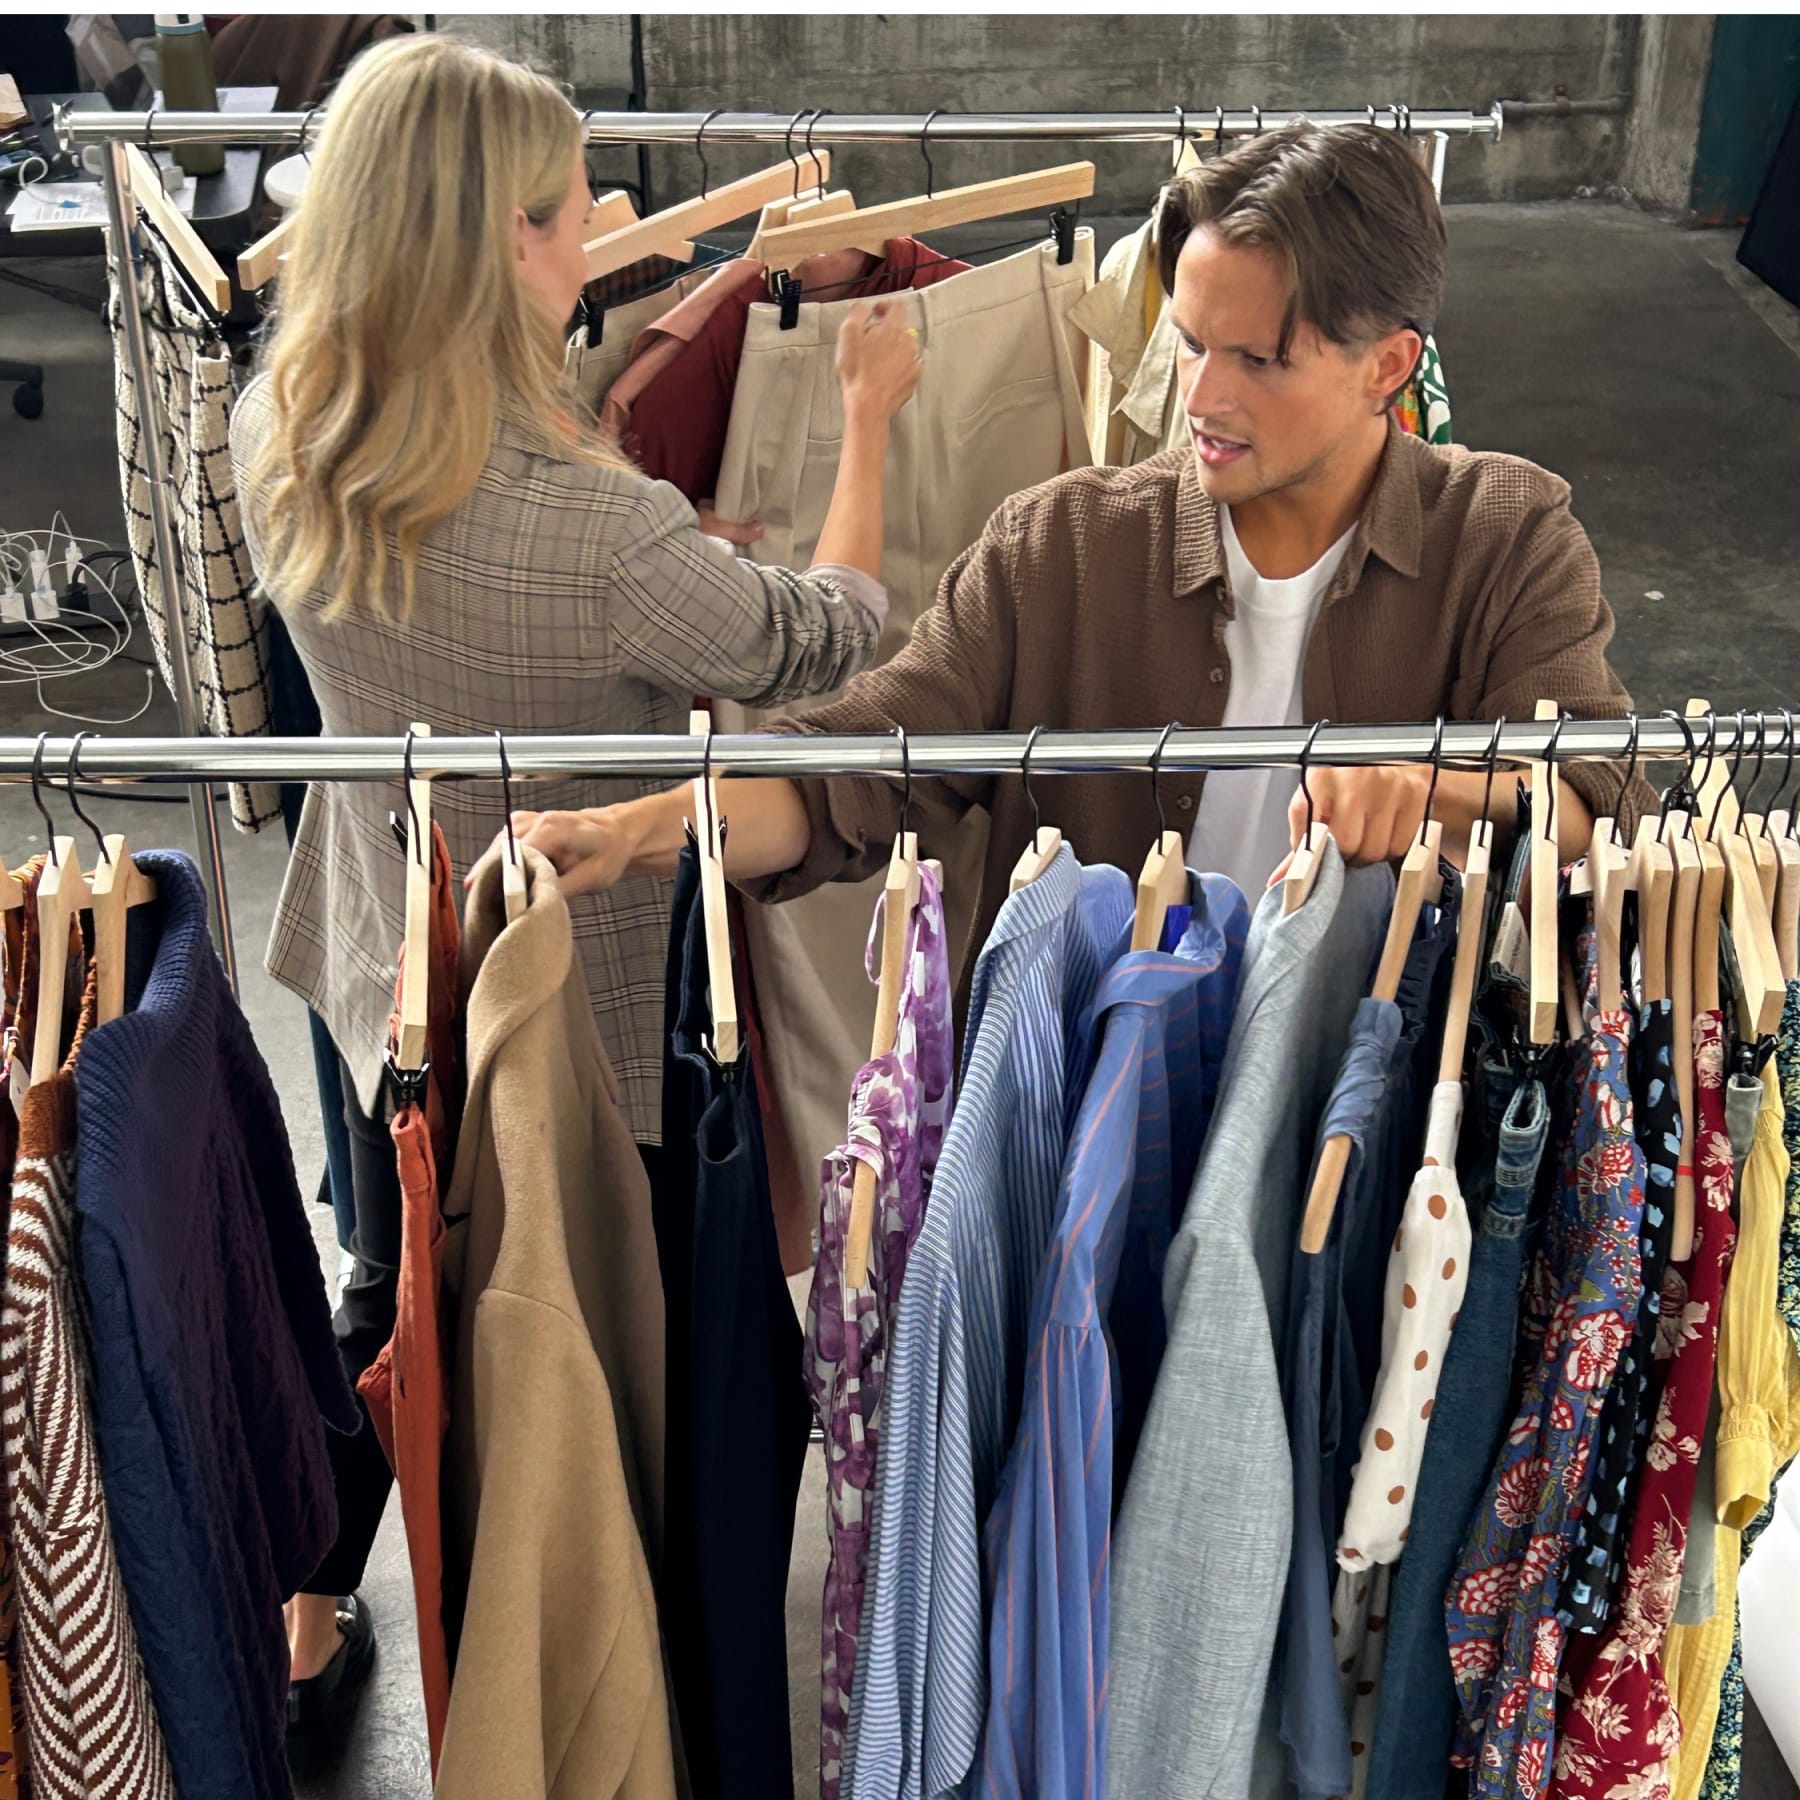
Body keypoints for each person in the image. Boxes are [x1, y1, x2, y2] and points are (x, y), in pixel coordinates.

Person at [229, 33, 920, 1728]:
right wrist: (869, 425)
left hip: (388, 930)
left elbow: (491, 604)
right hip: (586, 984)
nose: (601, 223)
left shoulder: (285, 428)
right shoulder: (598, 533)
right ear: (497, 250)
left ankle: (305, 1613)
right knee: (605, 1325)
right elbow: (820, 643)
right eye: (566, 212)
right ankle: (627, 1668)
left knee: (402, 1268)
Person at [508, 120, 1645, 934]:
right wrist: (639, 831)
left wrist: (1433, 791)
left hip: (1365, 1142)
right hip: (1081, 1139)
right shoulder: (1063, 546)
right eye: (1193, 344)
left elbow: (1602, 803)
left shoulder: (1506, 532)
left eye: (1257, 359)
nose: (1200, 398)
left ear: (1389, 366)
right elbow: (860, 762)